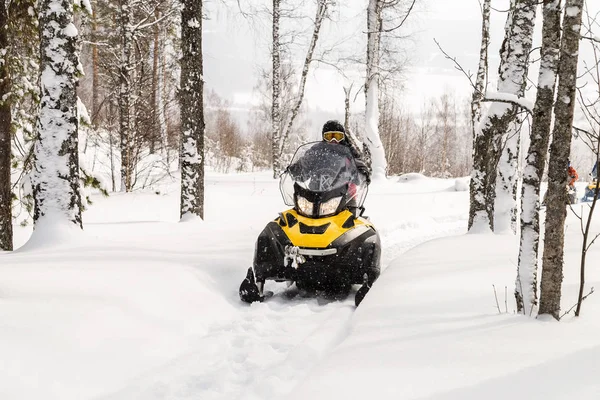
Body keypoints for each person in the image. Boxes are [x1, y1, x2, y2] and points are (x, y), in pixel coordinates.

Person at [321, 120, 371, 184]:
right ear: (324, 137)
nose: (333, 140)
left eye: (337, 136)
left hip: (345, 189)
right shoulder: (316, 150)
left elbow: (358, 162)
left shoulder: (349, 151)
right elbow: (306, 163)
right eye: (329, 136)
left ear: (343, 137)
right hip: (316, 190)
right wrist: (303, 170)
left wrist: (363, 173)